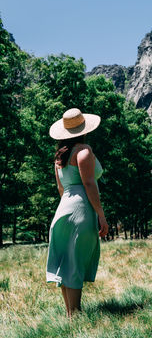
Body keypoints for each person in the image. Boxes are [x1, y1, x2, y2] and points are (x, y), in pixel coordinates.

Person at [46, 107, 109, 318]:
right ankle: (77, 316)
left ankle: (71, 315)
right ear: (84, 129)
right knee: (75, 263)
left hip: (63, 208)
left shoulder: (59, 157)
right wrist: (100, 214)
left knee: (66, 263)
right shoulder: (84, 151)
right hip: (81, 209)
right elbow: (89, 184)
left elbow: (60, 189)